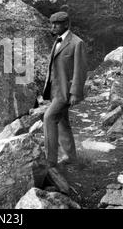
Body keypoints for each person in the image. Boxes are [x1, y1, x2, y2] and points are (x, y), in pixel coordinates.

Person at [41, 10, 87, 168]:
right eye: (52, 24)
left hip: (65, 92)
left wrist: (75, 92)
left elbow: (80, 71)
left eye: (57, 24)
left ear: (66, 24)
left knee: (48, 118)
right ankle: (71, 157)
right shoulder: (57, 41)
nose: (53, 27)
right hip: (56, 90)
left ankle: (50, 161)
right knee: (62, 122)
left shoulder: (76, 43)